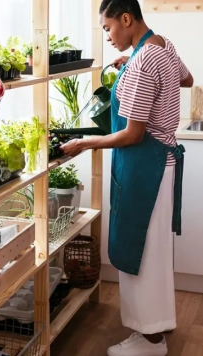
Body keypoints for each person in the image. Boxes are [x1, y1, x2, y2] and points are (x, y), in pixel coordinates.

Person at [60, 0, 193, 355]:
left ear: (126, 18)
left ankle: (150, 341)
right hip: (160, 165)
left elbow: (133, 134)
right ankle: (156, 330)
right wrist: (130, 64)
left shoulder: (142, 63)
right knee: (155, 251)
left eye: (108, 28)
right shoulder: (161, 44)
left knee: (141, 253)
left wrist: (87, 143)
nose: (108, 36)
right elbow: (186, 78)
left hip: (143, 169)